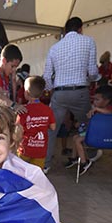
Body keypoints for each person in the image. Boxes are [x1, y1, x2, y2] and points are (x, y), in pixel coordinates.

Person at [43, 16, 100, 174]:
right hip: (79, 91)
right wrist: (91, 78)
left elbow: (47, 76)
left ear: (65, 31)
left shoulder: (54, 48)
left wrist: (53, 91)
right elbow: (93, 72)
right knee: (88, 125)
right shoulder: (88, 41)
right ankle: (89, 155)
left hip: (59, 93)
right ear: (80, 29)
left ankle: (46, 164)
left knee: (51, 130)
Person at [65, 85, 112, 176]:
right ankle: (74, 158)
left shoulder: (109, 109)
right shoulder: (94, 110)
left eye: (97, 100)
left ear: (106, 101)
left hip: (101, 135)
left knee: (78, 140)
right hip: (93, 133)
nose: (94, 102)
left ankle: (85, 162)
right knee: (75, 137)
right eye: (94, 99)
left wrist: (96, 109)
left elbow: (110, 113)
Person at [17, 76, 56, 170]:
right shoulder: (48, 110)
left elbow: (18, 130)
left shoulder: (23, 110)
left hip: (25, 150)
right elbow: (53, 127)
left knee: (20, 173)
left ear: (26, 93)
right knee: (37, 175)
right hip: (40, 150)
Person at [0, 44, 26, 114]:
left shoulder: (6, 76)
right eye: (12, 66)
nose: (14, 70)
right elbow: (0, 95)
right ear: (4, 61)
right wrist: (14, 105)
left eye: (16, 67)